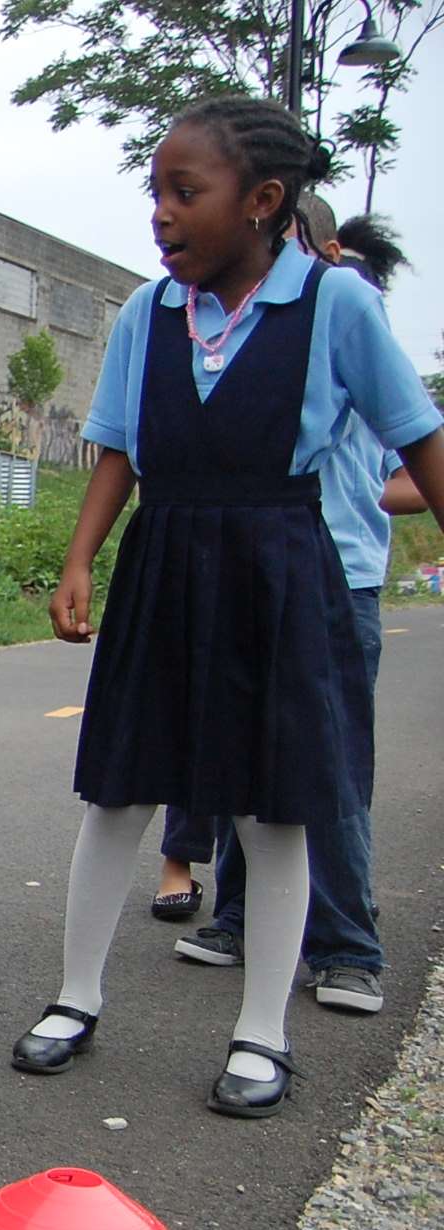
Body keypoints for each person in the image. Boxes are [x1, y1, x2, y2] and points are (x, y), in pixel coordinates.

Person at [10, 98, 444, 1119]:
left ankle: (262, 1031)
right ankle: (76, 996)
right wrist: (80, 560)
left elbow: (418, 436)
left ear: (262, 202)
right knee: (118, 787)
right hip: (165, 558)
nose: (161, 214)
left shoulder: (336, 306)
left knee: (273, 800)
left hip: (279, 568)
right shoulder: (145, 314)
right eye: (154, 192)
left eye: (184, 193)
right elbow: (116, 446)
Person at [170, 208, 419, 1016]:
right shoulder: (222, 318)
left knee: (325, 760)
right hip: (248, 566)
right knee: (240, 755)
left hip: (334, 568)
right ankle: (240, 917)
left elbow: (416, 438)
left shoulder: (340, 303)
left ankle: (347, 945)